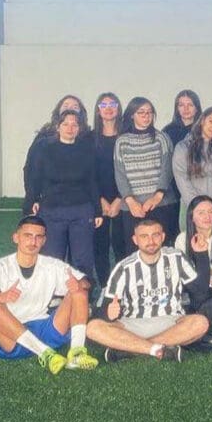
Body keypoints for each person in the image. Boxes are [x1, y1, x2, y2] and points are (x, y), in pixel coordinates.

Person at [0, 216, 99, 373]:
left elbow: (88, 281)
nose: (33, 242)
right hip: (11, 337)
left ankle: (77, 354)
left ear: (44, 241)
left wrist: (80, 284)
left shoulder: (51, 265)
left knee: (79, 291)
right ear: (16, 238)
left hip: (45, 329)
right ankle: (45, 354)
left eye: (38, 237)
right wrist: (0, 296)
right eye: (28, 236)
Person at [86, 218, 210, 362]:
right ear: (135, 240)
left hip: (171, 322)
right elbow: (106, 308)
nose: (150, 241)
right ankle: (158, 348)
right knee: (93, 328)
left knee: (201, 323)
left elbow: (200, 293)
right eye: (144, 236)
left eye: (155, 235)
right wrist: (108, 313)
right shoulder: (123, 268)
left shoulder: (177, 258)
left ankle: (131, 350)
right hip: (132, 324)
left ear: (162, 237)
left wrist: (201, 255)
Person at [24, 110, 101, 279]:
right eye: (65, 124)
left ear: (79, 128)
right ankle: (52, 292)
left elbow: (92, 181)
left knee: (82, 260)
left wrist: (97, 211)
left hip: (81, 211)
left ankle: (83, 293)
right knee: (52, 258)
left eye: (74, 124)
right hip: (52, 210)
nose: (70, 128)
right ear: (58, 127)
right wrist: (33, 200)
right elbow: (35, 177)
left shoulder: (87, 149)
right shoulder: (44, 148)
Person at [114, 96, 177, 248]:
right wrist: (131, 202)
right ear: (132, 115)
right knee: (134, 250)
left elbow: (167, 169)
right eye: (141, 112)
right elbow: (120, 175)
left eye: (149, 112)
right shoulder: (121, 141)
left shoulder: (161, 138)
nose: (146, 116)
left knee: (162, 249)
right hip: (132, 208)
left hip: (161, 205)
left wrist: (156, 197)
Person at [22, 95, 90, 214]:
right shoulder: (43, 138)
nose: (70, 108)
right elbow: (31, 171)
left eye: (75, 106)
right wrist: (33, 198)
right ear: (58, 110)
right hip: (48, 203)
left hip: (79, 205)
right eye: (66, 105)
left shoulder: (87, 139)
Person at [172, 105, 212, 225]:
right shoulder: (183, 148)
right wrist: (200, 212)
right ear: (202, 120)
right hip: (192, 211)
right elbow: (183, 182)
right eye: (211, 121)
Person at [93, 92, 126, 286]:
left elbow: (131, 171)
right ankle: (106, 287)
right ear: (98, 111)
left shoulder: (127, 136)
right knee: (100, 246)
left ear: (118, 108)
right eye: (103, 105)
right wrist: (100, 200)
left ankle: (123, 286)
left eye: (112, 104)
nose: (108, 108)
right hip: (98, 200)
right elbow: (87, 172)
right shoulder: (89, 138)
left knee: (122, 245)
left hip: (124, 199)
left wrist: (120, 198)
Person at [161, 89, 202, 240]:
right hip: (174, 188)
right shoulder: (167, 131)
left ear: (197, 107)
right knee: (178, 232)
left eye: (190, 105)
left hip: (199, 185)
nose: (186, 109)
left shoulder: (203, 129)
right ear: (176, 108)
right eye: (181, 105)